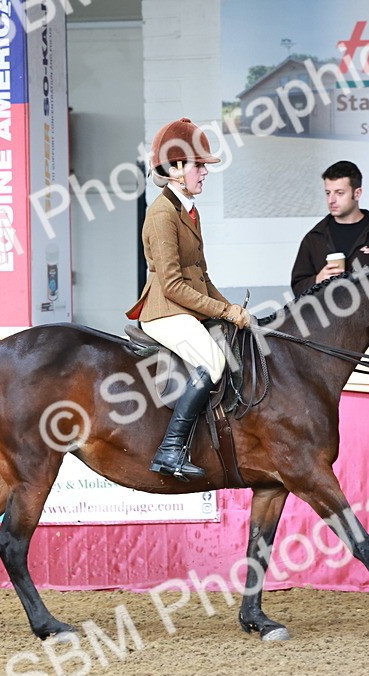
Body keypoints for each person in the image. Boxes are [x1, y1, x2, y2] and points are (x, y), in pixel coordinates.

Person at [125, 117, 249, 481]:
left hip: (186, 307)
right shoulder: (162, 214)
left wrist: (232, 311)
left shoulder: (189, 211)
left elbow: (202, 276)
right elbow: (175, 285)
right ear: (176, 168)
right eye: (198, 166)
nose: (204, 173)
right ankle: (170, 449)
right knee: (213, 362)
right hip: (165, 312)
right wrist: (224, 310)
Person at [289, 160, 369, 296]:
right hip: (325, 317)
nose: (331, 200)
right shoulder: (314, 238)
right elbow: (297, 288)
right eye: (328, 193)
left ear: (357, 193)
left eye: (339, 193)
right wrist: (317, 280)